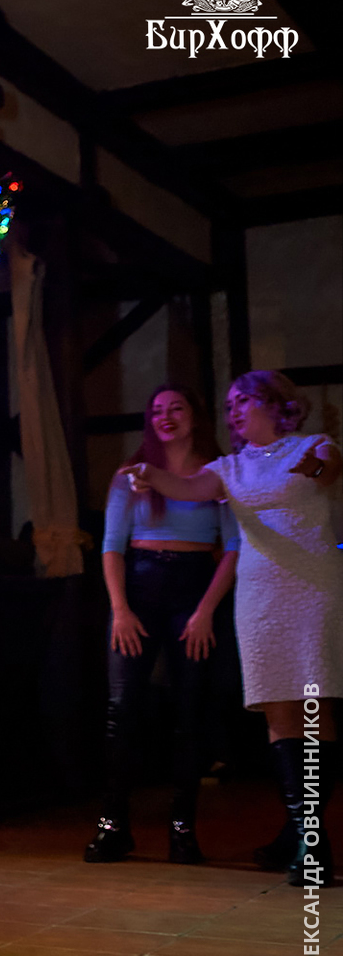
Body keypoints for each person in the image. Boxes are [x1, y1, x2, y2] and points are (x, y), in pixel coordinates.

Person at [127, 370, 340, 886]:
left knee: (313, 711)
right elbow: (187, 486)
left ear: (276, 403)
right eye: (229, 405)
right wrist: (150, 475)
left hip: (311, 589)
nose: (234, 411)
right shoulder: (229, 467)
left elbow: (328, 470)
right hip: (260, 597)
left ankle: (307, 841)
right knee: (278, 712)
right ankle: (306, 840)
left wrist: (317, 466)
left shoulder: (313, 445)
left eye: (244, 400)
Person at [86, 386, 238, 866]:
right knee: (122, 709)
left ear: (195, 416)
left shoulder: (219, 473)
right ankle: (113, 826)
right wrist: (120, 609)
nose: (165, 416)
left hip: (195, 591)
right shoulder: (131, 474)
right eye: (156, 411)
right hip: (139, 587)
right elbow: (111, 546)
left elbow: (233, 547)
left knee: (190, 712)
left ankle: (182, 829)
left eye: (176, 408)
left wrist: (206, 610)